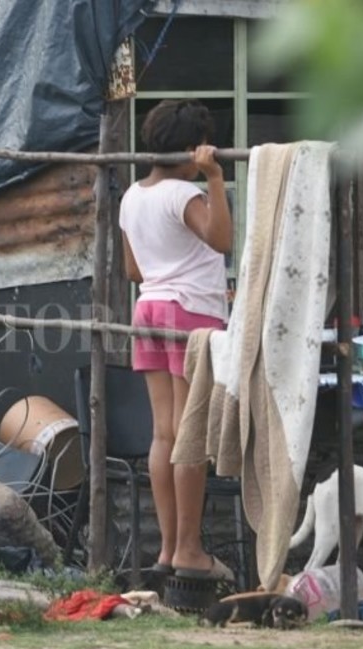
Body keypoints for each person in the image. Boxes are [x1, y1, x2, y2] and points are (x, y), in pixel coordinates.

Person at [119, 99, 235, 582]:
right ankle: (189, 549)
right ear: (193, 150)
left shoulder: (132, 195)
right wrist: (212, 179)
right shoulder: (183, 192)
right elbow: (221, 240)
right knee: (190, 436)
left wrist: (175, 273)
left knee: (163, 433)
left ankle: (168, 550)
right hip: (188, 316)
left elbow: (132, 270)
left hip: (148, 309)